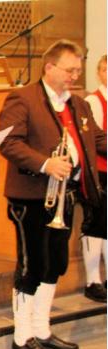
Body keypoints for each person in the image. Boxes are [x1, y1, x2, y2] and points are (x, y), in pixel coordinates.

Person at [0, 39, 104, 349]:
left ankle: (41, 329)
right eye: (69, 69)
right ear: (50, 67)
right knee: (32, 266)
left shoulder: (78, 104)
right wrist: (46, 163)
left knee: (55, 264)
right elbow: (9, 142)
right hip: (31, 197)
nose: (74, 75)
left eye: (77, 70)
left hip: (66, 197)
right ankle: (22, 336)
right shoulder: (24, 98)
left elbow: (96, 139)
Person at [81, 54, 107, 302]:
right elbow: (96, 140)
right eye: (106, 70)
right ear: (99, 73)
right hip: (100, 172)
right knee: (96, 225)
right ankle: (93, 280)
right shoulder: (93, 100)